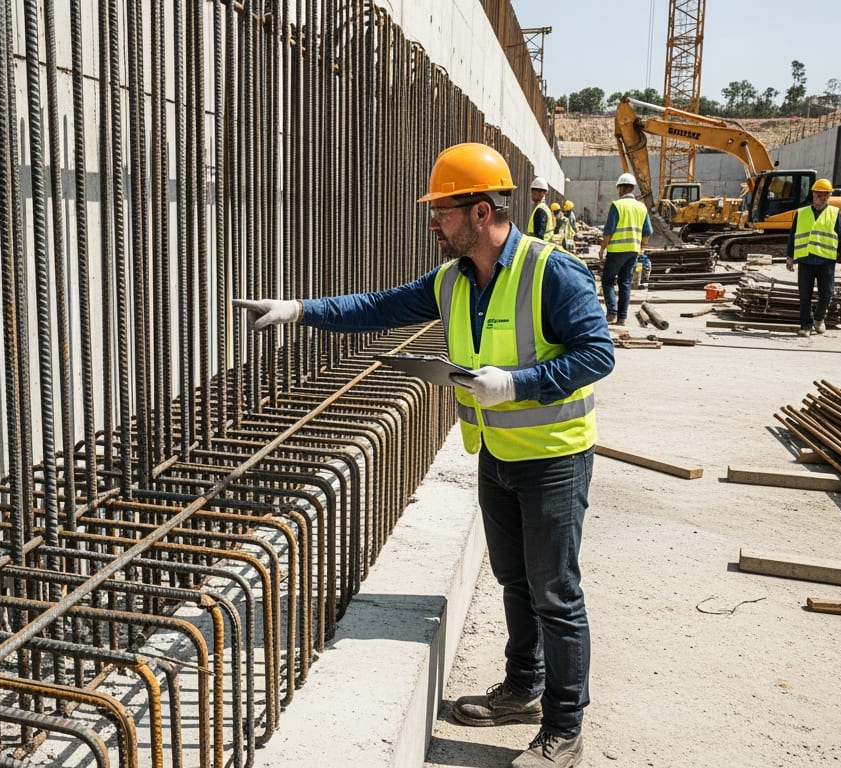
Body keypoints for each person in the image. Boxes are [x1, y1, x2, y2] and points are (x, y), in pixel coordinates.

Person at [233, 142, 614, 768]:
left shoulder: (552, 273)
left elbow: (597, 354)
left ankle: (565, 727)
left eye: (442, 211)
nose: (432, 223)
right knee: (513, 579)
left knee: (555, 590)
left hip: (552, 456)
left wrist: (515, 383)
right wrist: (300, 310)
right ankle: (524, 686)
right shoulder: (453, 278)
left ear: (483, 211)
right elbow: (378, 306)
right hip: (497, 452)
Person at [784, 177, 841, 336]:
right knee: (804, 296)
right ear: (814, 195)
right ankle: (805, 326)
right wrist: (790, 256)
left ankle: (819, 319)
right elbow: (793, 236)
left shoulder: (834, 213)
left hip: (826, 261)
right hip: (806, 260)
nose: (823, 199)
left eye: (826, 195)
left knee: (827, 294)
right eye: (820, 195)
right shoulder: (802, 213)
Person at [595, 173, 652, 326]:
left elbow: (608, 231)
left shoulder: (617, 205)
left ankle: (612, 313)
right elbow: (648, 231)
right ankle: (622, 317)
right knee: (625, 282)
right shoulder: (641, 207)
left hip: (616, 250)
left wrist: (602, 250)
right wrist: (641, 248)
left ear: (621, 188)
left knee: (607, 281)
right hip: (632, 251)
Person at [527, 177, 554, 241]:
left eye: (533, 192)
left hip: (540, 247)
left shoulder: (540, 210)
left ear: (541, 193)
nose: (532, 194)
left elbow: (539, 234)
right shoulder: (543, 208)